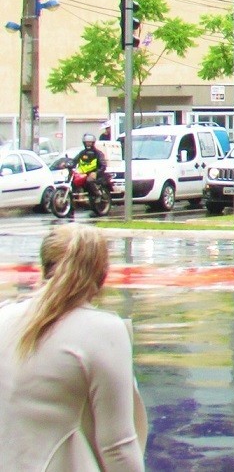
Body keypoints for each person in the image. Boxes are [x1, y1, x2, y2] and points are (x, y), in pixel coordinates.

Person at [0, 224, 147, 471]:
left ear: (43, 267)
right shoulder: (104, 331)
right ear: (102, 275)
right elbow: (117, 448)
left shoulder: (4, 318)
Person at [72, 133, 110, 214]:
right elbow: (74, 161)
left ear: (93, 143)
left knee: (89, 180)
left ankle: (97, 195)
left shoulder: (98, 153)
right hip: (83, 174)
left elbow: (103, 165)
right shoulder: (82, 153)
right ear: (84, 143)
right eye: (86, 142)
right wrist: (67, 163)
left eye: (90, 142)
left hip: (96, 174)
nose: (88, 144)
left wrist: (96, 172)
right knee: (73, 180)